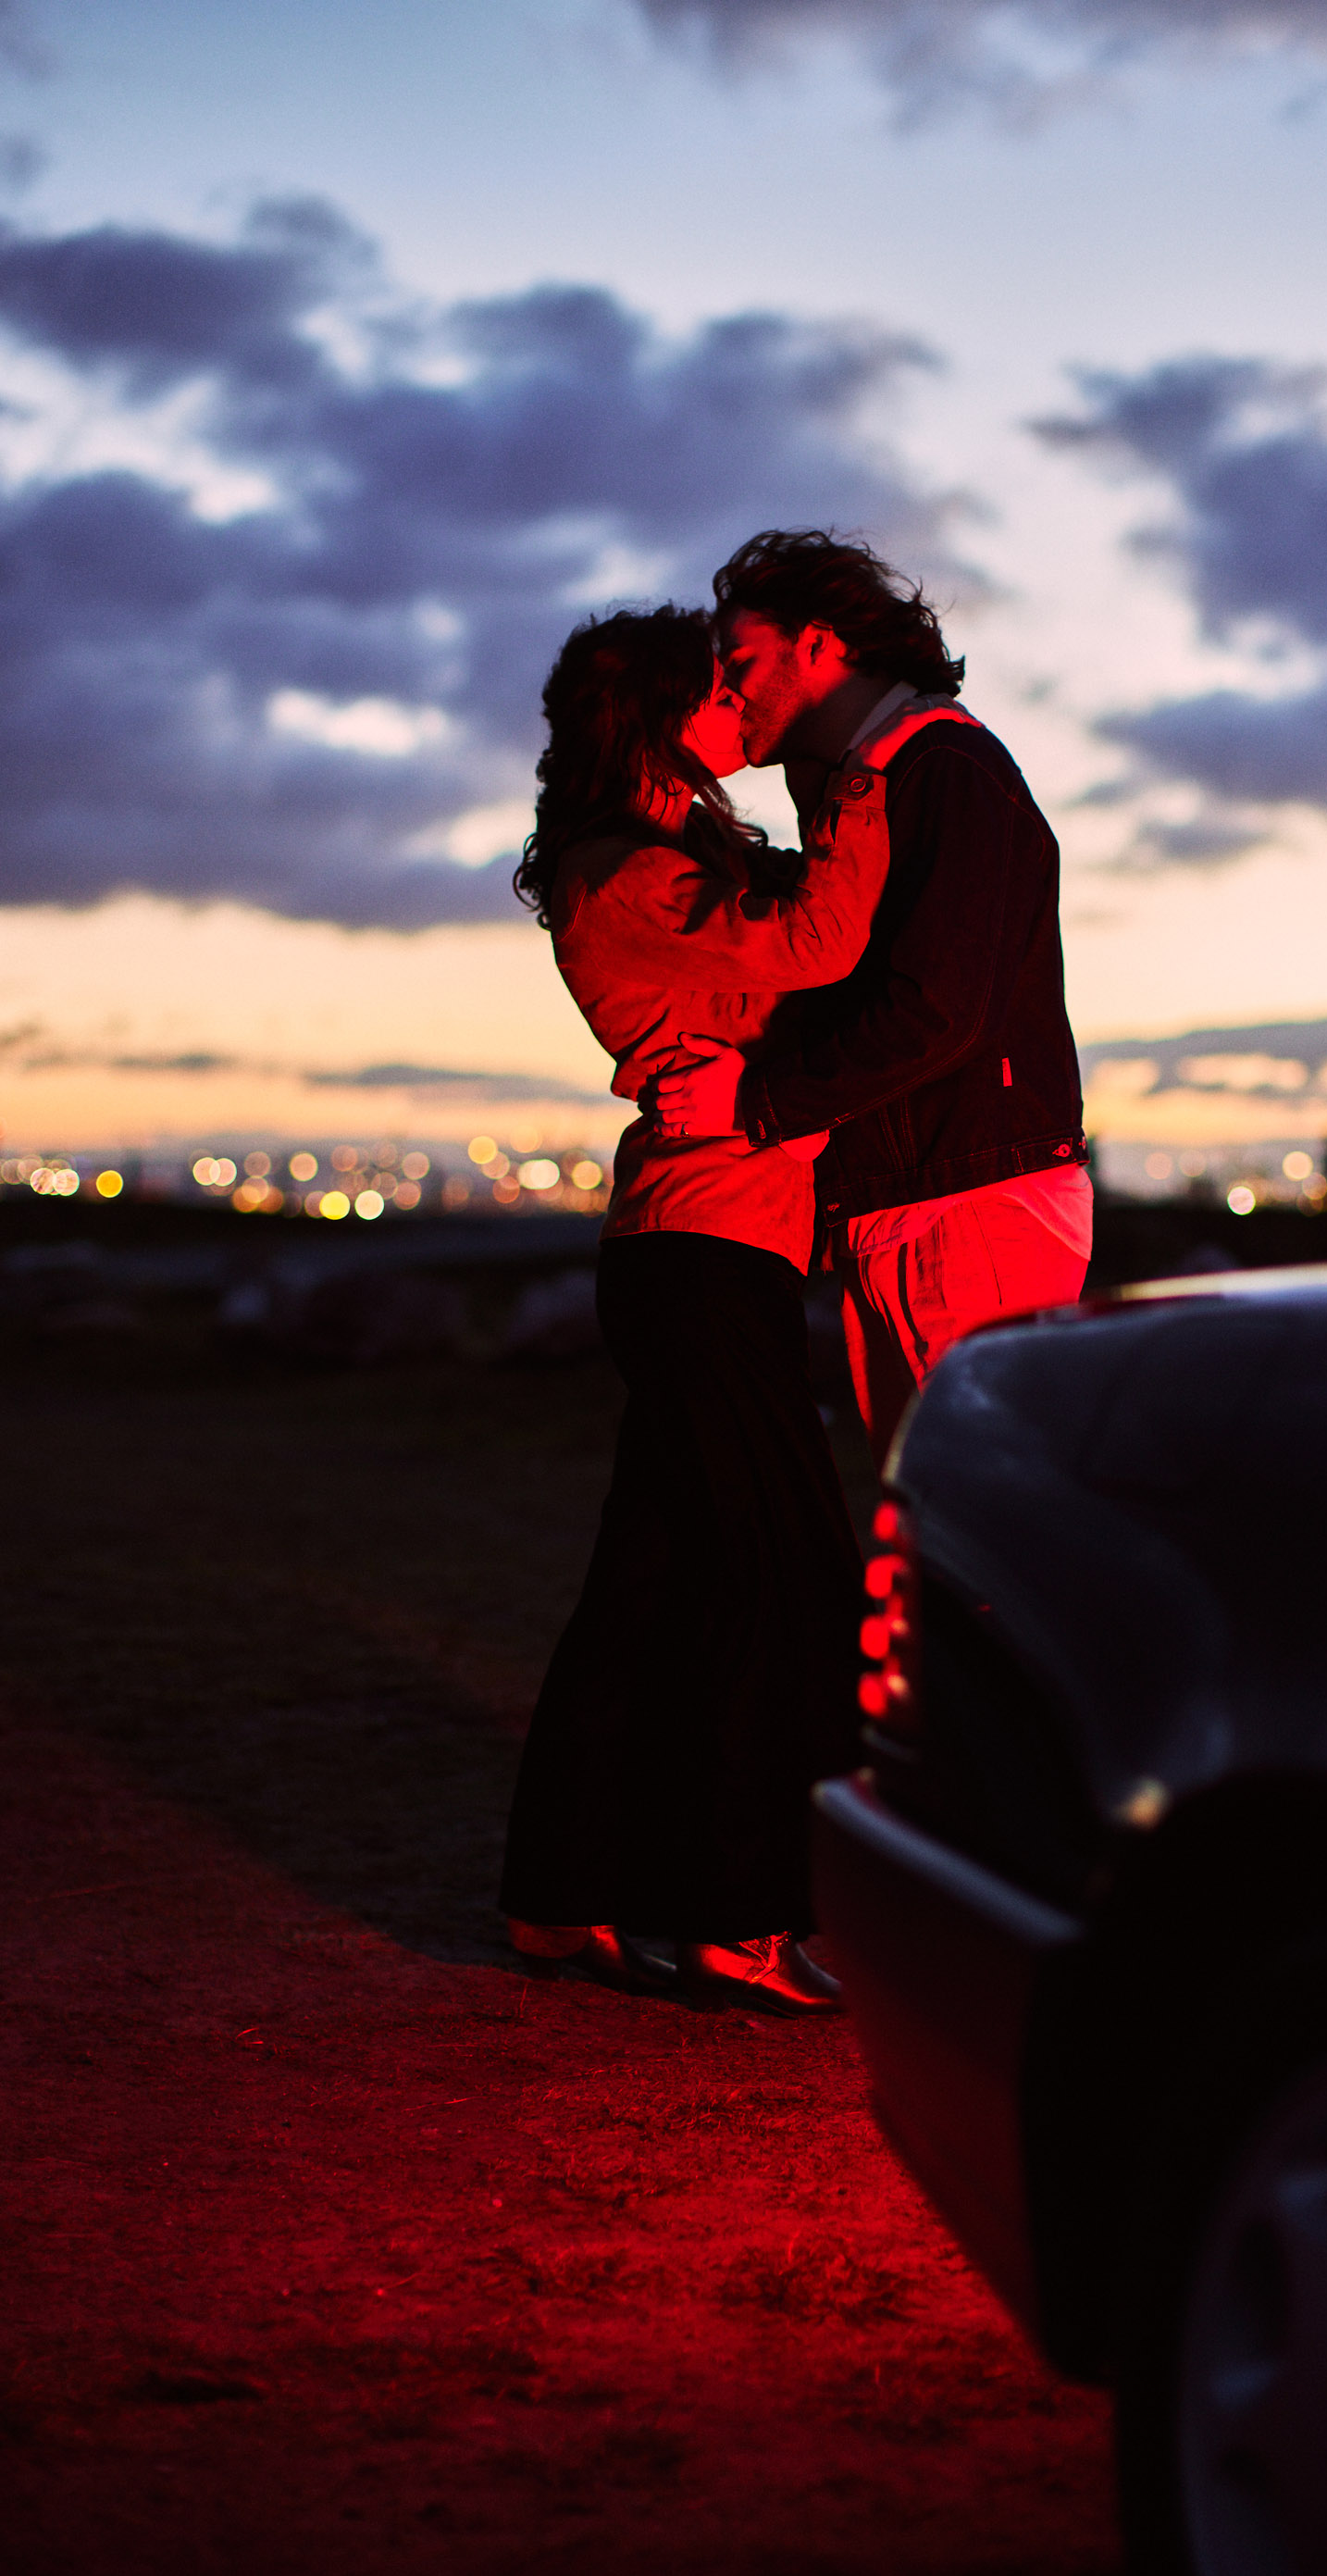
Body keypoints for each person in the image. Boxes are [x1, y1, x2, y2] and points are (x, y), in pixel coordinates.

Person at [501, 604, 892, 2015]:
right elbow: (827, 941)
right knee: (778, 1574)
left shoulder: (675, 857)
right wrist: (861, 772)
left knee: (653, 1581)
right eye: (719, 687)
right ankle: (733, 1914)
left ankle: (562, 1894)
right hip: (700, 1255)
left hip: (714, 1250)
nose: (742, 699)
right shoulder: (627, 877)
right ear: (660, 716)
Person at [646, 530, 1091, 1469]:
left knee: (977, 1521)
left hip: (967, 1208)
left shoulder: (942, 770)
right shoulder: (882, 779)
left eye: (742, 663)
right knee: (939, 1518)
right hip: (929, 1197)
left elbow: (937, 1010)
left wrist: (752, 1102)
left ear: (820, 644)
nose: (725, 691)